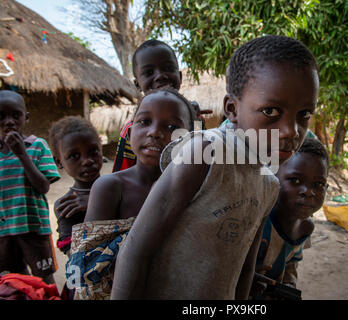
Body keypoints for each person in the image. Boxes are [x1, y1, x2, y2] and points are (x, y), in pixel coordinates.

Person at [111, 35, 320, 300]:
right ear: (232, 109)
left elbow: (245, 267)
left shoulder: (269, 184)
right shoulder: (203, 155)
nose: (291, 130)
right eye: (270, 111)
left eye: (304, 114)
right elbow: (136, 250)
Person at [66, 88, 199, 300]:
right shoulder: (110, 187)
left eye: (172, 127)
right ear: (129, 134)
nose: (155, 132)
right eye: (145, 122)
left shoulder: (196, 191)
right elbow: (89, 263)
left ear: (190, 141)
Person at [250, 138, 329, 300]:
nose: (308, 192)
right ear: (273, 177)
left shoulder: (305, 227)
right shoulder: (257, 221)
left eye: (318, 184)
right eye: (295, 180)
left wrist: (289, 285)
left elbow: (291, 263)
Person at [113, 39, 208, 173]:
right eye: (149, 72)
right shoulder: (133, 128)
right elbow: (122, 175)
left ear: (180, 77)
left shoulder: (197, 121)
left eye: (168, 69)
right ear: (137, 85)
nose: (160, 76)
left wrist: (195, 118)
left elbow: (199, 159)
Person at [0, 90, 60, 285]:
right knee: (15, 281)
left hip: (35, 230)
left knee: (45, 279)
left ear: (26, 117)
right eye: (1, 117)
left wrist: (22, 155)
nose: (9, 121)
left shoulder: (37, 146)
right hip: (4, 232)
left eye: (15, 115)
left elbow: (43, 186)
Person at [49, 116, 103, 257]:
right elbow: (74, 253)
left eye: (93, 151)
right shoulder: (66, 205)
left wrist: (94, 203)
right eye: (74, 156)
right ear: (59, 162)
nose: (87, 161)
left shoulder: (120, 185)